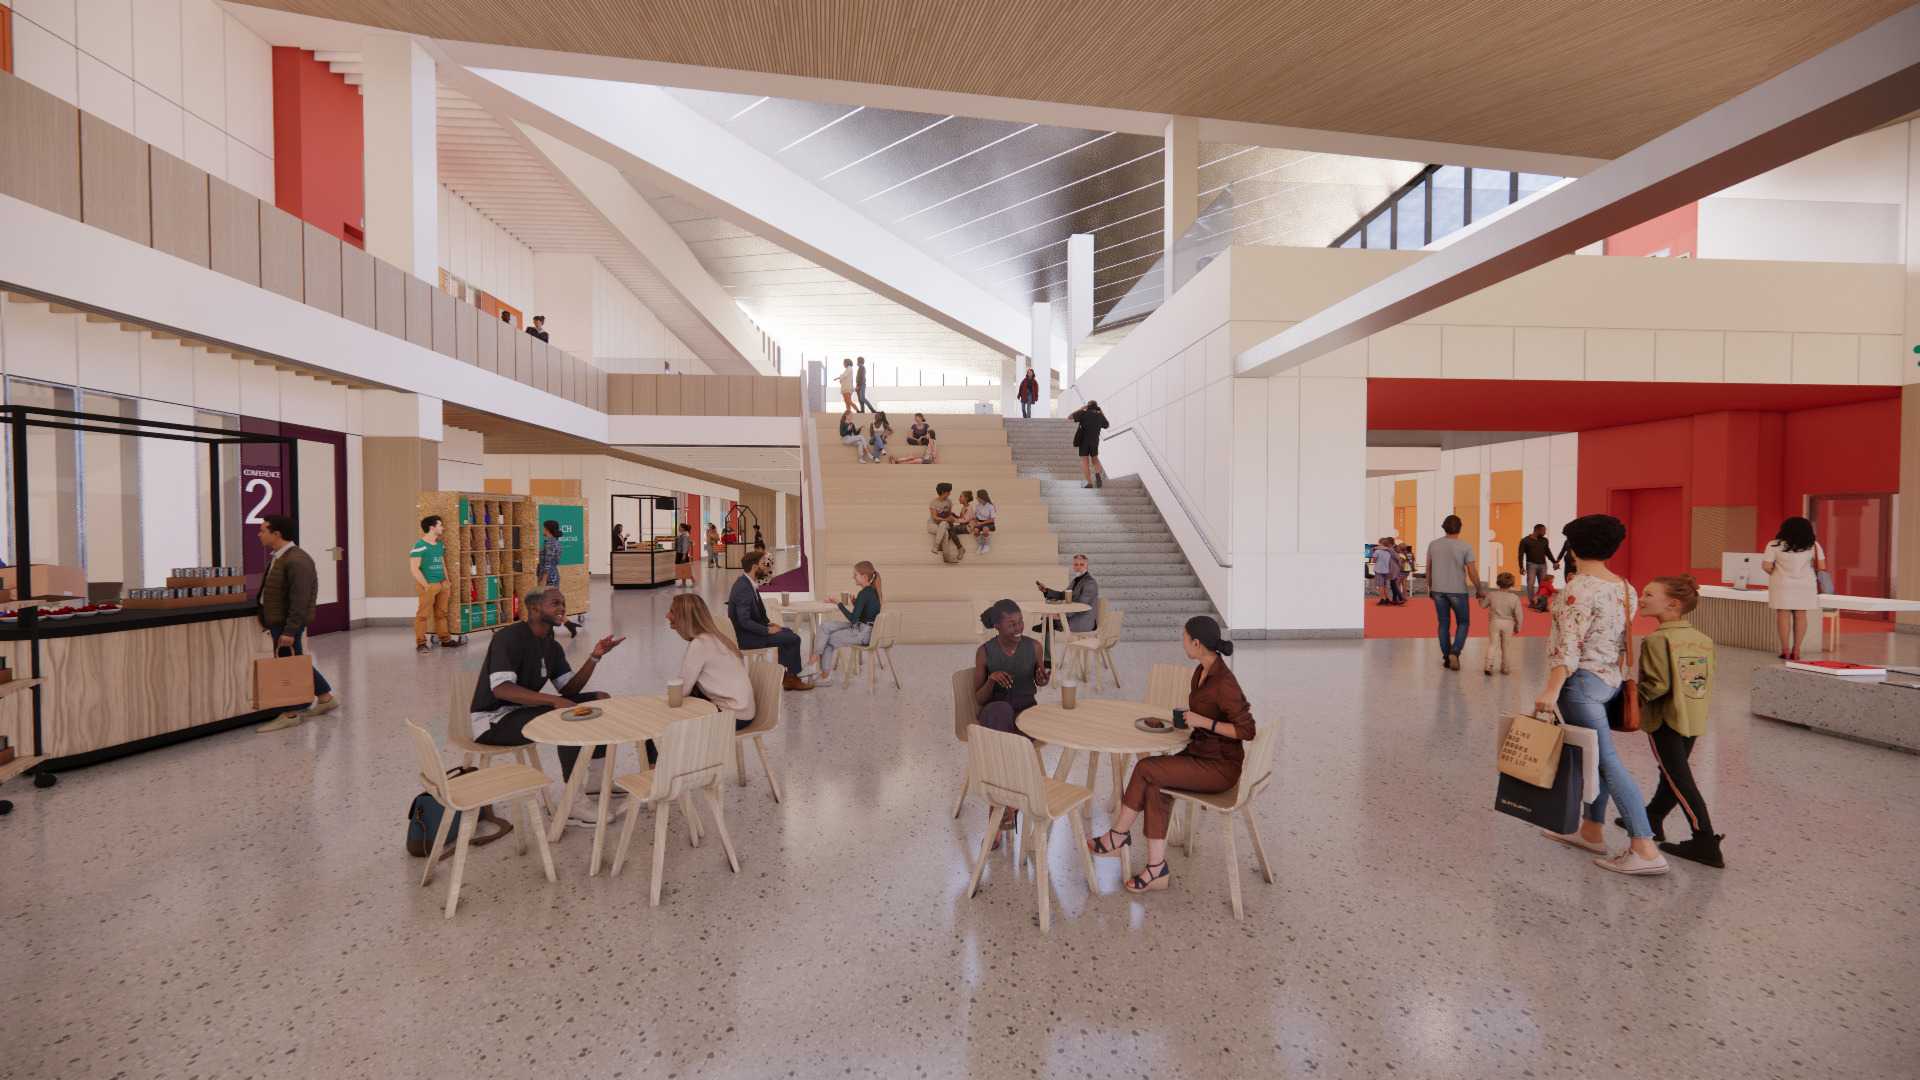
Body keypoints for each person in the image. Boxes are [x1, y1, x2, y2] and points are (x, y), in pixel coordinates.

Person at [1533, 514, 1667, 877]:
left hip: (1580, 685)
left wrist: (1551, 689)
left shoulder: (1576, 590)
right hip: (1610, 681)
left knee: (1606, 764)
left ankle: (1644, 845)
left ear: (1573, 549)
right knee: (1596, 758)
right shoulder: (1625, 587)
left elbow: (1569, 647)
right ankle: (1591, 829)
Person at [1089, 616, 1253, 894]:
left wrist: (1205, 723)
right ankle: (1157, 869)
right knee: (1156, 785)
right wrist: (1192, 722)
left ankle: (1117, 836)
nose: (1183, 641)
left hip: (1220, 767)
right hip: (1200, 753)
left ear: (1197, 643)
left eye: (1185, 637)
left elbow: (1247, 730)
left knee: (1146, 769)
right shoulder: (1200, 671)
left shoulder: (1224, 682)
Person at [471, 588, 624, 823]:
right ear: (534, 609)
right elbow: (501, 689)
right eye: (555, 603)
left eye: (563, 603)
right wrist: (553, 701)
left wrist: (595, 657)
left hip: (521, 712)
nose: (562, 607)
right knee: (565, 716)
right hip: (493, 720)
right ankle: (573, 801)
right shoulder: (508, 637)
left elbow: (569, 690)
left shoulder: (551, 646)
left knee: (601, 699)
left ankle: (596, 780)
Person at [1623, 575, 1723, 868]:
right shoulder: (1702, 640)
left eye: (1648, 594)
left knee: (1679, 779)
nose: (1641, 599)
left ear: (1672, 604)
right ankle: (1653, 818)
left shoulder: (1657, 639)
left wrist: (1628, 699)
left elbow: (1657, 685)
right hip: (1693, 717)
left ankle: (1705, 839)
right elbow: (1701, 682)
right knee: (1673, 772)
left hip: (1665, 719)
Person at [973, 598, 1051, 848]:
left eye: (1020, 622)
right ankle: (1006, 806)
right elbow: (978, 698)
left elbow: (1040, 682)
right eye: (1011, 624)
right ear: (997, 625)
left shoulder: (1035, 647)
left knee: (1010, 740)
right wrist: (992, 680)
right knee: (1001, 711)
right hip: (995, 714)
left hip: (1026, 711)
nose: (1018, 627)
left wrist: (1042, 679)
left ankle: (1002, 806)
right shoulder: (985, 651)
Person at [254, 514, 340, 732]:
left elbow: (300, 600)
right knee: (296, 662)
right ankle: (325, 698)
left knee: (287, 668)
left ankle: (290, 713)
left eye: (263, 530)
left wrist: (290, 630)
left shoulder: (297, 560)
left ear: (277, 534)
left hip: (285, 624)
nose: (259, 534)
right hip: (279, 621)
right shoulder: (281, 556)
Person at [666, 593, 755, 763]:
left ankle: (660, 781)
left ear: (684, 618)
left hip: (733, 717)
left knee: (661, 727)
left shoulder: (699, 645)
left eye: (672, 611)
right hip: (744, 711)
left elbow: (681, 691)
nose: (667, 615)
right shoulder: (717, 638)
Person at [728, 550, 811, 692]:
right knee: (793, 638)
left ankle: (788, 676)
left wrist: (768, 624)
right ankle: (791, 678)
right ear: (755, 567)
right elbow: (744, 621)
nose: (766, 567)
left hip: (751, 632)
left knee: (787, 633)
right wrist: (767, 630)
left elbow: (756, 614)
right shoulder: (743, 588)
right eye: (763, 564)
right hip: (746, 637)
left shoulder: (747, 583)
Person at [806, 561, 882, 685]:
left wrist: (838, 603)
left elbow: (853, 619)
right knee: (825, 626)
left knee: (829, 640)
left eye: (855, 575)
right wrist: (855, 604)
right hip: (863, 628)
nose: (853, 577)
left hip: (862, 633)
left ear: (864, 577)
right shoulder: (873, 592)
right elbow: (864, 614)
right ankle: (815, 656)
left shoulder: (864, 593)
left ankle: (825, 677)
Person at [1762, 515, 1825, 660]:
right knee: (1800, 615)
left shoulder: (1774, 545)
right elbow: (1822, 567)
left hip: (1782, 584)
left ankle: (1785, 650)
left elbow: (1766, 566)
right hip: (1805, 585)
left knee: (1783, 615)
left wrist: (1777, 573)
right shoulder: (1813, 545)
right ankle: (1796, 651)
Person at [1426, 515, 1482, 670]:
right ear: (1460, 528)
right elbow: (1472, 571)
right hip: (1458, 590)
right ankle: (1455, 652)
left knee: (1443, 623)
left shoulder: (1433, 545)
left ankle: (1446, 656)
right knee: (1463, 622)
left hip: (1438, 590)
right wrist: (1479, 589)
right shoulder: (1465, 546)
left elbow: (1429, 569)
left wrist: (1430, 588)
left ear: (1444, 527)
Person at [410, 514, 462, 654]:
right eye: (440, 525)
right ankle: (421, 643)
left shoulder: (439, 545)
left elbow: (442, 562)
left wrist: (447, 581)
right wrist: (426, 585)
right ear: (432, 527)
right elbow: (414, 569)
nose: (443, 528)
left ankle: (445, 640)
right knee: (423, 615)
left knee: (442, 614)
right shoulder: (419, 546)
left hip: (442, 584)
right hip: (428, 585)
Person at [537, 519, 581, 638]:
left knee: (546, 605)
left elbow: (548, 562)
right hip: (553, 574)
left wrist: (544, 579)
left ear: (547, 529)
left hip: (548, 576)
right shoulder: (555, 542)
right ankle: (568, 624)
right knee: (552, 604)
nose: (542, 530)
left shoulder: (550, 543)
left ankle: (549, 632)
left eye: (543, 527)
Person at [1034, 553, 1098, 634]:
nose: (1079, 567)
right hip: (1074, 615)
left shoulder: (1090, 583)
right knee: (1048, 617)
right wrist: (1046, 591)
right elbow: (1063, 595)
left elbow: (1082, 605)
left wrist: (1060, 615)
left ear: (1087, 566)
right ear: (1073, 566)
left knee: (1050, 620)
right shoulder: (1076, 580)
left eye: (1082, 564)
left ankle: (1048, 634)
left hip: (1083, 620)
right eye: (1076, 564)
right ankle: (1047, 638)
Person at [1480, 571, 1524, 675]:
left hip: (1495, 622)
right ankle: (1505, 668)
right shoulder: (1515, 598)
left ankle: (1488, 666)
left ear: (1498, 582)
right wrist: (1518, 627)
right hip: (1508, 623)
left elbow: (1482, 605)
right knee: (1506, 647)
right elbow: (1519, 615)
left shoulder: (1492, 595)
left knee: (1492, 644)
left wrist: (1480, 598)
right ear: (1512, 584)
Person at [1069, 399, 1109, 488]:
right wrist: (1101, 412)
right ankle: (1098, 475)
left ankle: (1089, 483)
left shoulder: (1083, 413)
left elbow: (1069, 417)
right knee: (1095, 459)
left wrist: (1081, 409)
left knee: (1085, 461)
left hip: (1084, 441)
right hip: (1094, 441)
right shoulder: (1099, 416)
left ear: (1088, 406)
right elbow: (1106, 425)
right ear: (1096, 406)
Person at [1517, 523, 1558, 600]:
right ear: (1537, 530)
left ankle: (1541, 602)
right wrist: (1521, 567)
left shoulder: (1545, 540)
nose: (1545, 533)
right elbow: (1520, 554)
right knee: (1530, 584)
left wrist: (1554, 562)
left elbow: (1548, 552)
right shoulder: (1525, 541)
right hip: (1531, 565)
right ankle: (1532, 601)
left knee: (1543, 584)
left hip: (1543, 565)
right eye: (1543, 531)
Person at [928, 483, 955, 553]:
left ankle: (936, 547)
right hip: (933, 525)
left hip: (944, 524)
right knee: (945, 532)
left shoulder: (949, 502)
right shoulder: (934, 503)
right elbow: (934, 517)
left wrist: (951, 518)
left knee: (943, 525)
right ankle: (945, 555)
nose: (949, 494)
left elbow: (949, 514)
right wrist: (946, 519)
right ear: (943, 492)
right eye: (948, 492)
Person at [1371, 538, 1397, 605]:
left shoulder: (1377, 552)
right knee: (1385, 585)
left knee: (1380, 585)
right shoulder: (1389, 552)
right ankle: (1387, 598)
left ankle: (1382, 599)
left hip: (1379, 570)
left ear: (1381, 544)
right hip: (1386, 570)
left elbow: (1374, 561)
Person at [971, 488, 997, 554]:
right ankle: (980, 545)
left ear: (982, 497)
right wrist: (976, 521)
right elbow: (976, 516)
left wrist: (981, 523)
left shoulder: (990, 506)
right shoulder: (978, 506)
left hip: (988, 522)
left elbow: (992, 519)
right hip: (980, 522)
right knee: (976, 531)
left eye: (978, 497)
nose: (976, 498)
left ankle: (986, 545)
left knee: (985, 529)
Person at [673, 522, 694, 589]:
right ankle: (684, 583)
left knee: (685, 569)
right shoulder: (682, 535)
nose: (679, 528)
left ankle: (692, 581)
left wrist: (684, 555)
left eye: (680, 527)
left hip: (682, 554)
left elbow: (685, 546)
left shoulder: (685, 536)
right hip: (679, 553)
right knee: (682, 569)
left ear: (683, 528)